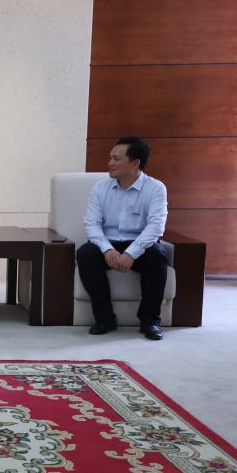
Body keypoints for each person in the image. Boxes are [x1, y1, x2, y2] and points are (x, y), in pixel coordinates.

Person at [78, 136, 168, 340]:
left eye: (116, 159)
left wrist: (131, 253)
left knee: (157, 255)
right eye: (110, 158)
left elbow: (155, 227)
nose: (110, 163)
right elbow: (92, 223)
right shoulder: (100, 187)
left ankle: (150, 321)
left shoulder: (155, 188)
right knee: (86, 254)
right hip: (108, 243)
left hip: (140, 245)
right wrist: (107, 249)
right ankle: (104, 319)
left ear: (135, 163)